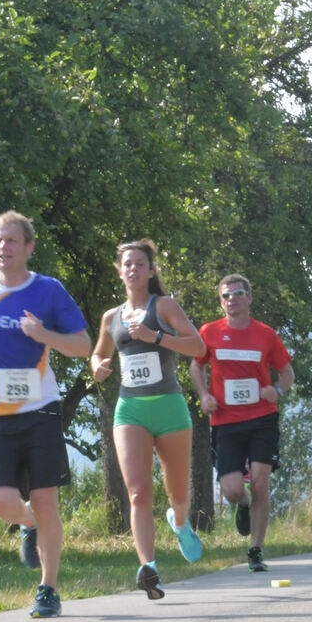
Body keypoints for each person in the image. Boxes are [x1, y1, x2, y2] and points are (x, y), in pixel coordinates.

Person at [0, 211, 91, 618]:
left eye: (11, 241)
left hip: (40, 410)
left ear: (29, 247)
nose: (2, 248)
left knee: (46, 498)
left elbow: (83, 345)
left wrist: (44, 335)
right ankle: (28, 522)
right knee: (0, 502)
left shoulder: (48, 291)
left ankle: (48, 589)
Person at [90, 240, 207, 599]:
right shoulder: (111, 317)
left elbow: (199, 347)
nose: (133, 270)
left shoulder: (165, 306)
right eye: (127, 264)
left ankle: (181, 523)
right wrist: (98, 366)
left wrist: (156, 336)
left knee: (177, 493)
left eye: (140, 264)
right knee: (138, 492)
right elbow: (98, 352)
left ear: (151, 271)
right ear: (119, 270)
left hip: (169, 408)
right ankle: (149, 568)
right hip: (131, 410)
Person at [189, 274, 294, 572]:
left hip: (262, 419)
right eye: (226, 295)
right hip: (225, 422)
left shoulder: (266, 335)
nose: (232, 299)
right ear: (221, 303)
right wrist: (204, 394)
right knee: (233, 489)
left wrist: (278, 390)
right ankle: (243, 506)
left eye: (238, 293)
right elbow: (196, 366)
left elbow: (287, 373)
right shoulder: (209, 332)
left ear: (249, 298)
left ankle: (256, 550)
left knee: (261, 482)